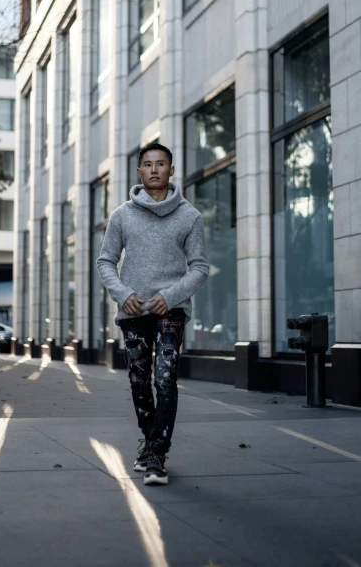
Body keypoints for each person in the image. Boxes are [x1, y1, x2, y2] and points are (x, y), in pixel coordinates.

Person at [97, 143, 209, 486]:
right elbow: (105, 262)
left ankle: (157, 455)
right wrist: (124, 294)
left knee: (164, 378)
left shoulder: (190, 216)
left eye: (161, 164)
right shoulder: (122, 215)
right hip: (133, 311)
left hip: (171, 311)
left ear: (171, 170)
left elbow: (200, 267)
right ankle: (149, 442)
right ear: (139, 172)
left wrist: (170, 296)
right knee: (138, 380)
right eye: (148, 164)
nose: (155, 169)